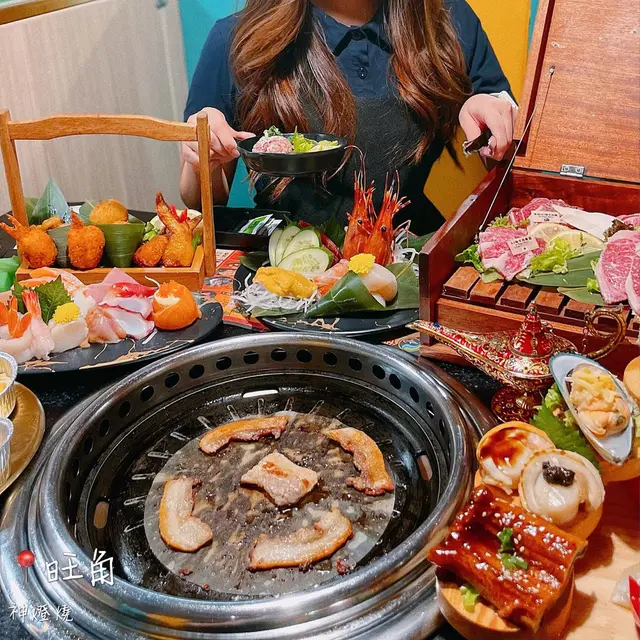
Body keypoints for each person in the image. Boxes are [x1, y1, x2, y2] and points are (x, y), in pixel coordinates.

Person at [181, 0, 516, 235]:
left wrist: (488, 117)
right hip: (281, 263)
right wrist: (203, 160)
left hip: (410, 253)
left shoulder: (447, 21)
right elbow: (201, 200)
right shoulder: (236, 38)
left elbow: (509, 159)